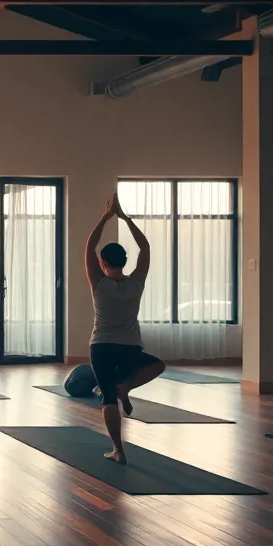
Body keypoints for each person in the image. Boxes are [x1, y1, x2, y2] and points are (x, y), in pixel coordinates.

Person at [86, 192, 165, 463]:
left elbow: (90, 246)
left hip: (101, 346)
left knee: (107, 396)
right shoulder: (136, 282)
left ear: (101, 263)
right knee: (157, 365)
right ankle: (127, 387)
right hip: (130, 347)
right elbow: (145, 248)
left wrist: (105, 218)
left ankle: (118, 450)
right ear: (125, 261)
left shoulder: (98, 282)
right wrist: (125, 218)